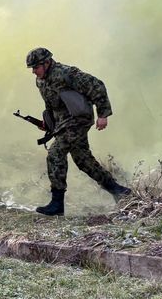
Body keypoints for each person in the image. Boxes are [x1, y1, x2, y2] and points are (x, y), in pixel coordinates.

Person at [26, 47, 131, 216]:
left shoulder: (67, 74)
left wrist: (103, 114)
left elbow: (96, 85)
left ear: (47, 63)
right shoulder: (41, 80)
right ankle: (119, 191)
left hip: (78, 120)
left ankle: (57, 204)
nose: (33, 71)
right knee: (83, 161)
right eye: (32, 68)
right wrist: (48, 124)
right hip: (64, 123)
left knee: (55, 153)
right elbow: (52, 105)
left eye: (36, 67)